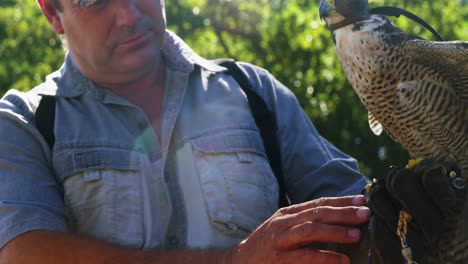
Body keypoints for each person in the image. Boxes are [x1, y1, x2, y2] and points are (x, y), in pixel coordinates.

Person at [0, 0, 370, 263]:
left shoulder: (253, 91)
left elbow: (355, 215)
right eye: (96, 1)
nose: (128, 15)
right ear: (52, 12)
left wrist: (401, 221)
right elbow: (25, 252)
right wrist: (230, 260)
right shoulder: (23, 123)